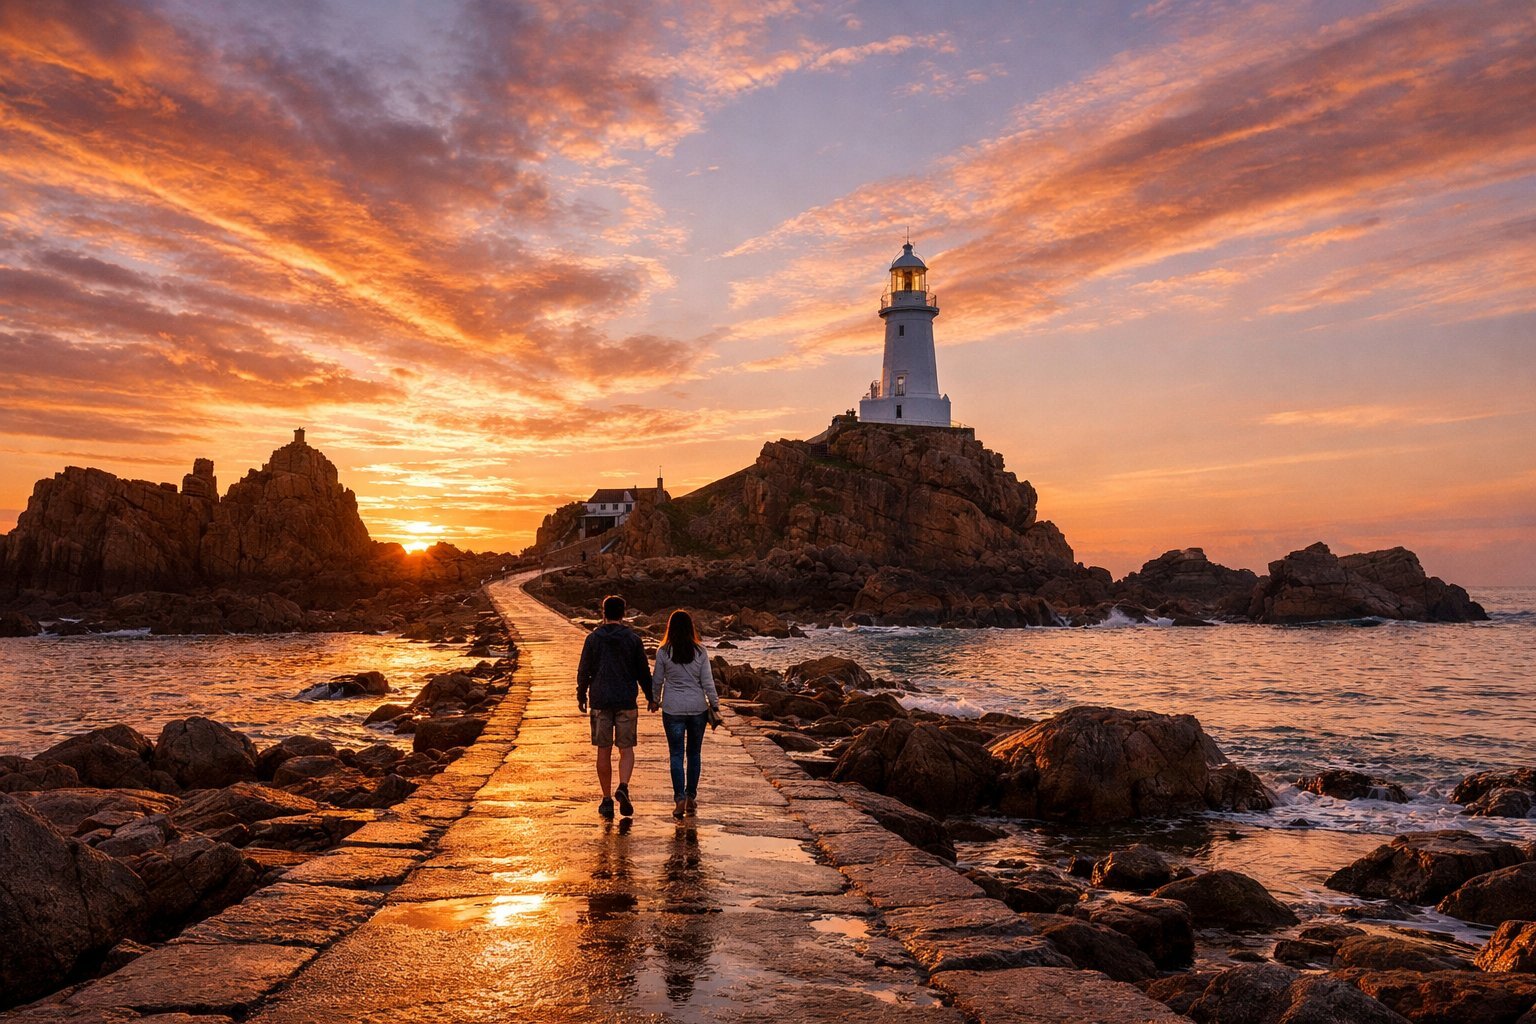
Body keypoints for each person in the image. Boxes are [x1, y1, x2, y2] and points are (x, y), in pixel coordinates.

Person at [577, 594, 655, 818]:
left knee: (603, 751)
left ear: (603, 613)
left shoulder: (593, 639)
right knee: (626, 749)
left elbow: (584, 671)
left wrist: (581, 694)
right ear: (624, 614)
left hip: (600, 700)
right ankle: (623, 786)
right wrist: (651, 696)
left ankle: (606, 799)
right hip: (626, 699)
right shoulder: (632, 639)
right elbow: (642, 671)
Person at [651, 609, 720, 819]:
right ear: (691, 628)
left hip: (672, 708)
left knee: (676, 754)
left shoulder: (664, 652)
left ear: (670, 628)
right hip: (697, 708)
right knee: (694, 754)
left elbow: (658, 680)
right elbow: (708, 682)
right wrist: (714, 704)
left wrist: (654, 700)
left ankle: (679, 798)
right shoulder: (700, 652)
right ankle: (691, 797)